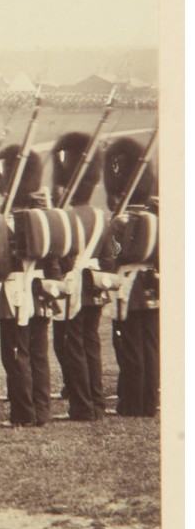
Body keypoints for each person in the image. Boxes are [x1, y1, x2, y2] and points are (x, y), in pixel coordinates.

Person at [0, 144, 52, 427]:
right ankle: (41, 410)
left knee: (16, 354)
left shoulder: (9, 220)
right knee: (38, 354)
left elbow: (1, 264)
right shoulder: (46, 218)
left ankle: (23, 413)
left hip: (15, 289)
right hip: (41, 289)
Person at [49, 132, 106, 422]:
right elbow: (111, 251)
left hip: (73, 284)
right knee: (91, 343)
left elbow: (59, 254)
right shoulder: (101, 215)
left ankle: (82, 406)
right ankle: (96, 402)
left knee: (73, 346)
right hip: (96, 283)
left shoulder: (65, 216)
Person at [101, 136, 159, 417]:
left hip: (129, 289)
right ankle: (149, 400)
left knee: (130, 346)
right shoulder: (156, 218)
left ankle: (132, 402)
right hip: (153, 286)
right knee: (151, 345)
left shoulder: (120, 222)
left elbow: (114, 255)